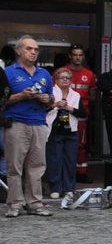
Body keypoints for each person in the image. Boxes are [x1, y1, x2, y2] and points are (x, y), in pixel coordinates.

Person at [4, 36, 55, 217]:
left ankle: (34, 202)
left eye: (36, 49)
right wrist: (20, 96)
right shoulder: (8, 72)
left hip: (39, 123)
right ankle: (15, 203)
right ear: (18, 51)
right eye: (29, 49)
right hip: (16, 122)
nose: (33, 52)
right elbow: (2, 101)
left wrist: (47, 99)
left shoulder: (44, 74)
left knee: (37, 165)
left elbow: (52, 100)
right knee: (15, 166)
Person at [45, 66, 84, 200]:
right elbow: (42, 109)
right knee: (55, 160)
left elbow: (83, 113)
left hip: (71, 130)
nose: (65, 80)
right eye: (62, 78)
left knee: (70, 160)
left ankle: (68, 188)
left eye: (68, 78)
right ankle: (55, 188)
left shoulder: (76, 95)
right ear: (55, 80)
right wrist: (55, 105)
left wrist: (69, 108)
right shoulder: (50, 93)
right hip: (54, 130)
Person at [64, 44, 95, 176]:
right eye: (75, 55)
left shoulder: (89, 74)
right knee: (63, 143)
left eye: (80, 55)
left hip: (82, 115)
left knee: (81, 144)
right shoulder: (62, 72)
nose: (78, 58)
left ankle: (81, 172)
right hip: (63, 113)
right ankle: (65, 171)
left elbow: (93, 95)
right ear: (70, 56)